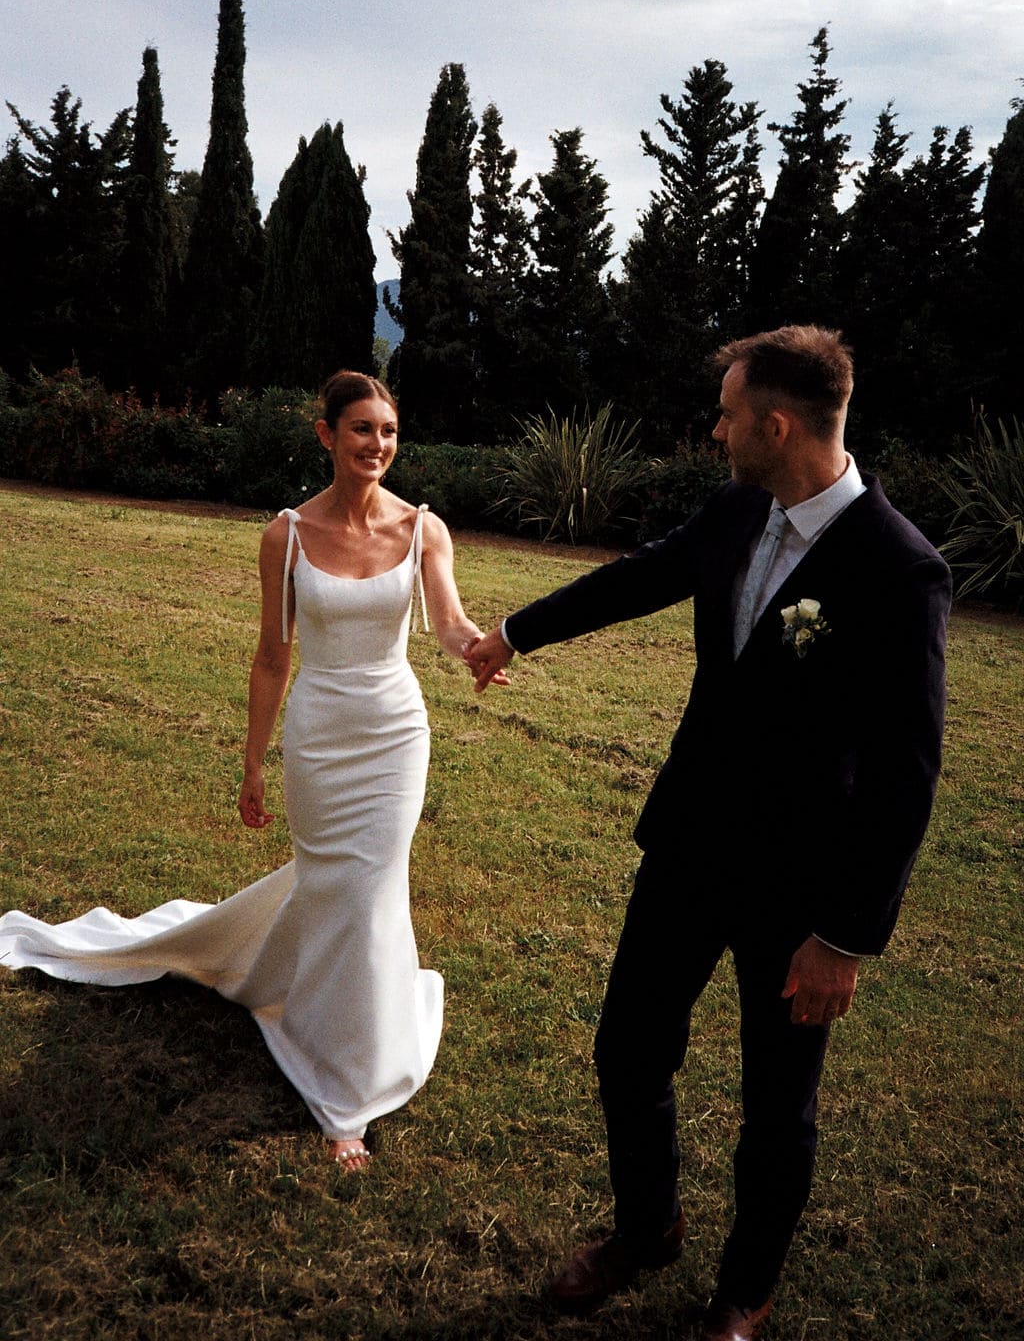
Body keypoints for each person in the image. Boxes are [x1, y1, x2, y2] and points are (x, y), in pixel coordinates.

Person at [467, 326, 951, 1340]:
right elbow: (644, 576)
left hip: (802, 895)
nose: (717, 429)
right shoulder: (738, 508)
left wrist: (845, 936)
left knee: (778, 1107)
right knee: (627, 1053)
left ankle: (742, 1292)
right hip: (686, 849)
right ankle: (646, 1232)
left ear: (776, 425)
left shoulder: (898, 568)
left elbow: (906, 774)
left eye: (729, 413)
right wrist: (516, 631)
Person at [0, 371, 506, 1172]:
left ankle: (349, 1093)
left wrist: (479, 646)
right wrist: (253, 764)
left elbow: (447, 621)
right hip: (318, 737)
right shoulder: (287, 535)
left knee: (373, 888)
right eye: (362, 430)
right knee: (329, 884)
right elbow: (272, 658)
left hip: (393, 735)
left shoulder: (423, 530)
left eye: (389, 432)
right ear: (326, 435)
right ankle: (312, 1007)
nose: (377, 446)